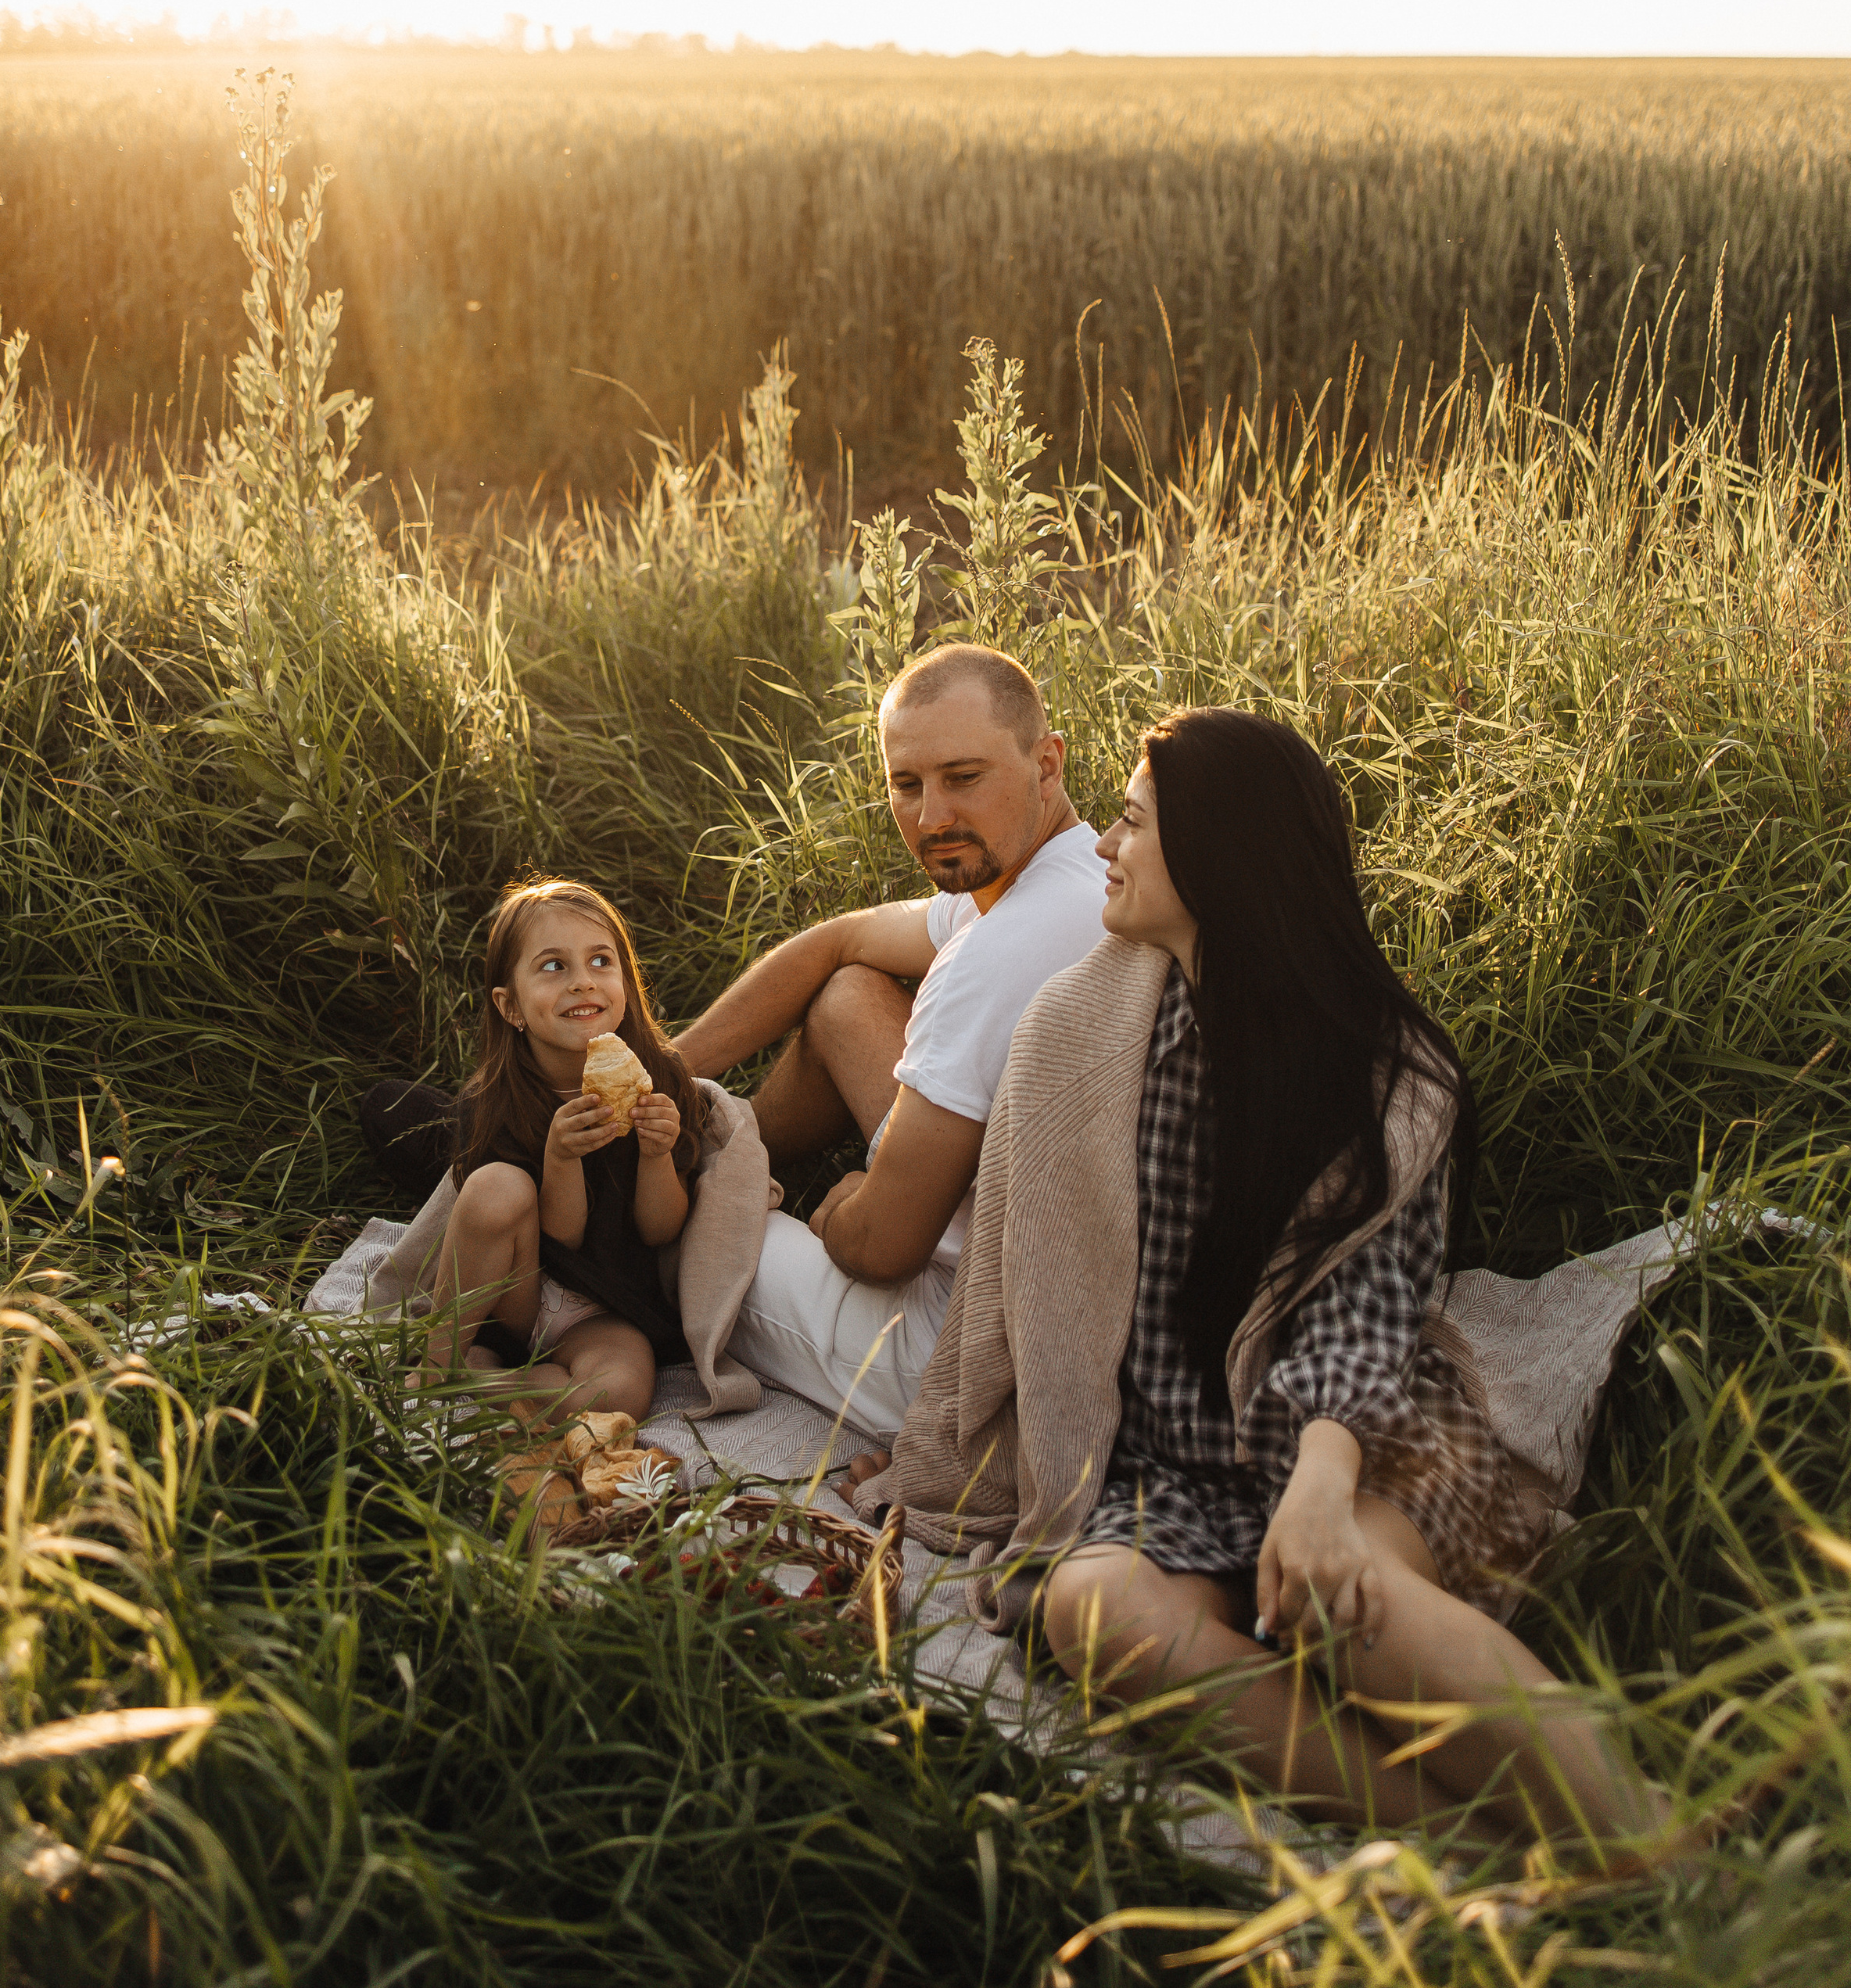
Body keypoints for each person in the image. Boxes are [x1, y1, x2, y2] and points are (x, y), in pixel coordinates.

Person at [856, 708, 1661, 1850]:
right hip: (1171, 1461)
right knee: (1093, 1611)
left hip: (1359, 1439)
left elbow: (1367, 1308)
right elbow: (1029, 1282)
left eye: (1131, 824)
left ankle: (1663, 1850)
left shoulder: (1387, 1066)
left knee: (1351, 1613)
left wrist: (1321, 1491)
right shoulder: (1082, 1028)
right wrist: (952, 1441)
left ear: (1219, 855)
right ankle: (1469, 1841)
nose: (1103, 847)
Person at [676, 643, 1107, 1436]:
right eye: (906, 785)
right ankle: (698, 1135)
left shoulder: (1000, 952)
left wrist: (840, 1211)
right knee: (848, 996)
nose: (931, 816)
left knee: (693, 1229)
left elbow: (880, 1249)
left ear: (1046, 763)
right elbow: (843, 941)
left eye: (963, 777)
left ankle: (641, 1198)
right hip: (1059, 1278)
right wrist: (668, 1070)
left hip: (962, 1355)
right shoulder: (1079, 874)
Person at [423, 877, 704, 1421]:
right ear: (511, 1007)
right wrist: (561, 1157)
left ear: (626, 983)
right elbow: (561, 1237)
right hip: (518, 1290)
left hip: (604, 1306)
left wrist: (656, 1154)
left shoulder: (661, 1079)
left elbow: (661, 1231)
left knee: (619, 1395)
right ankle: (437, 1362)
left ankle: (485, 1381)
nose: (583, 983)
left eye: (601, 961)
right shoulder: (496, 1099)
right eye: (554, 967)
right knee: (495, 1186)